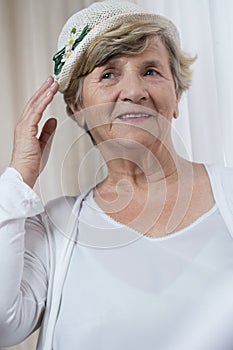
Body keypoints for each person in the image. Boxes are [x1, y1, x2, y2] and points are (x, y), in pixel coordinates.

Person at [1, 1, 233, 349]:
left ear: (177, 96)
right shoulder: (55, 228)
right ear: (77, 107)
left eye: (151, 71)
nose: (134, 91)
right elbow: (4, 326)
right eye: (109, 74)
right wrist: (18, 176)